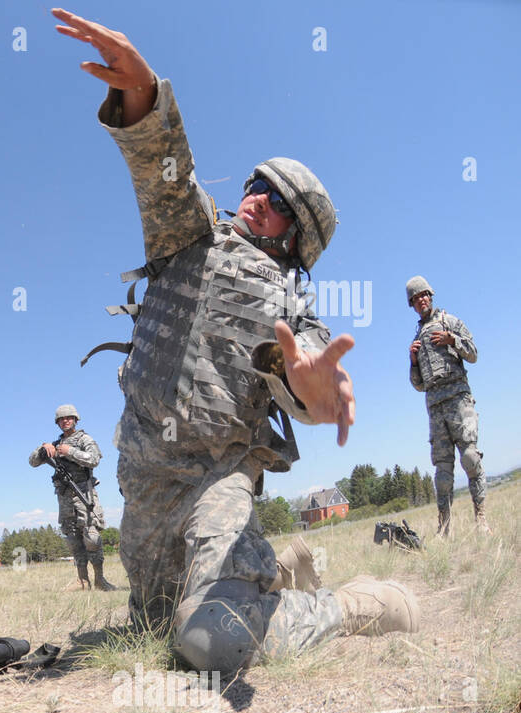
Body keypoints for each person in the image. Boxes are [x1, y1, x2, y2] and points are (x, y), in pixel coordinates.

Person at [52, 11, 418, 675]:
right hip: (145, 485)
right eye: (255, 186)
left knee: (208, 639)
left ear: (294, 237)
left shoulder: (289, 301)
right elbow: (164, 173)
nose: (255, 200)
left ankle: (358, 603)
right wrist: (143, 98)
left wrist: (310, 389)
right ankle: (280, 566)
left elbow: (299, 367)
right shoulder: (186, 238)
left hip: (216, 482)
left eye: (276, 202)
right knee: (156, 624)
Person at [407, 276, 487, 535]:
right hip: (435, 408)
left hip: (458, 400)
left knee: (470, 458)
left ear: (430, 295)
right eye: (415, 299)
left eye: (423, 295)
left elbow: (473, 354)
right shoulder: (417, 337)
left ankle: (481, 519)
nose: (421, 300)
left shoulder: (449, 322)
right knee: (442, 473)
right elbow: (418, 385)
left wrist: (452, 340)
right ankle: (444, 528)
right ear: (412, 305)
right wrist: (413, 360)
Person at [30, 404, 117, 591]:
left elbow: (94, 459)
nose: (65, 421)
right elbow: (33, 462)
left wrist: (70, 452)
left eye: (69, 418)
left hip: (84, 493)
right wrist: (43, 448)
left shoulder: (84, 438)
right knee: (72, 539)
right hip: (64, 496)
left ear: (76, 420)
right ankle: (82, 580)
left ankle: (100, 580)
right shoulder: (54, 444)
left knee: (91, 537)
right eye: (61, 419)